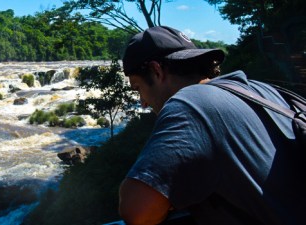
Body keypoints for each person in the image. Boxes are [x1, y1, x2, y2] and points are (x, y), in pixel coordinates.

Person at [117, 26, 304, 225]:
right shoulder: (260, 90)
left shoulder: (191, 104)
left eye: (138, 88)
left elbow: (136, 211)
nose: (143, 102)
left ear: (156, 71)